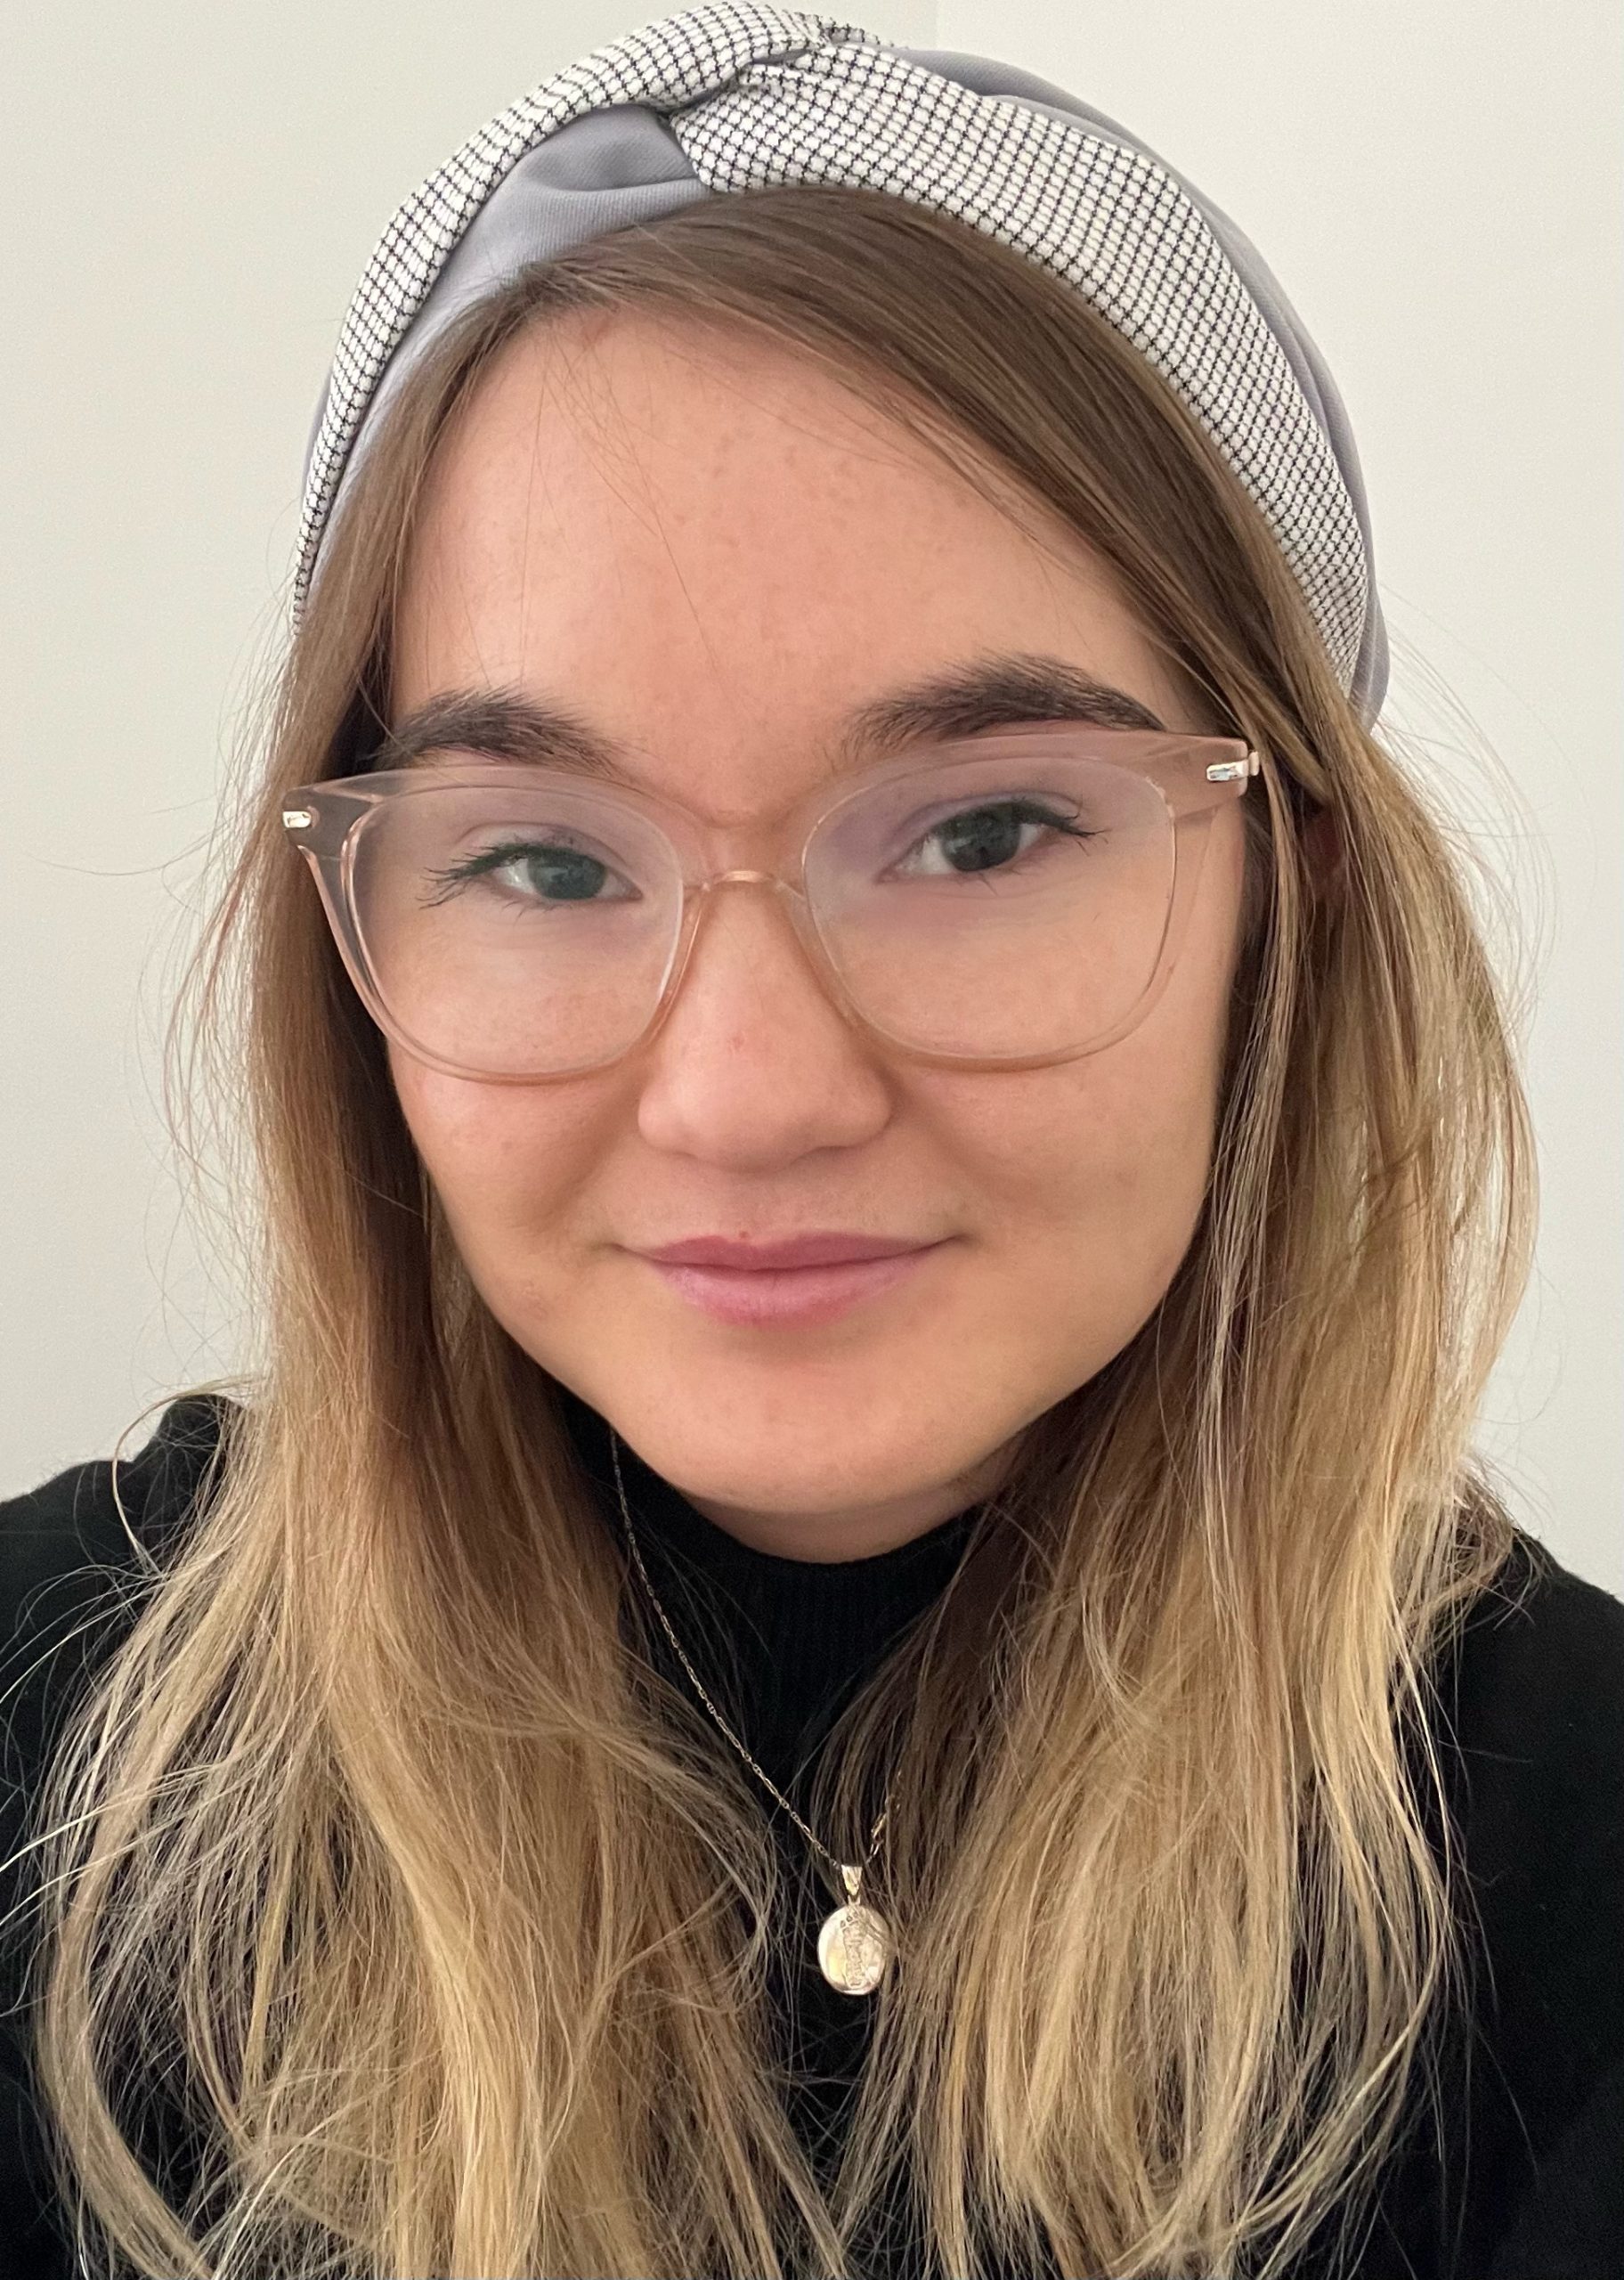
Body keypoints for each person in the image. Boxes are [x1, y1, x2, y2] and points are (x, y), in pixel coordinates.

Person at [2, 6, 1620, 2276]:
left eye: (983, 833)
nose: (748, 1093)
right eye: (543, 859)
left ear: (1298, 896)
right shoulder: (45, 1761)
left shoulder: (1573, 1883)